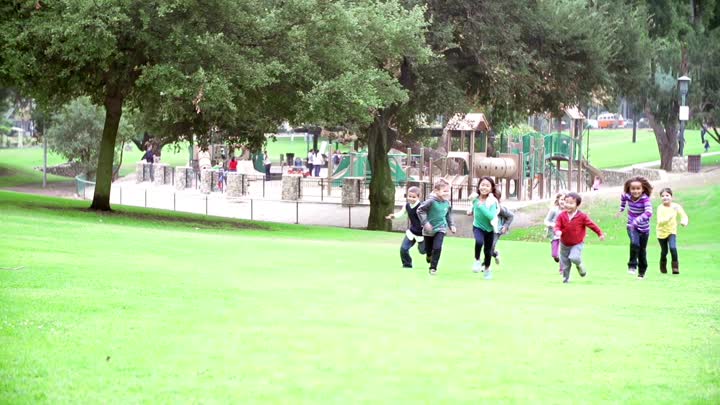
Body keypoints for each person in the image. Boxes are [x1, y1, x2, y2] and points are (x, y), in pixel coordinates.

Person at [554, 192, 605, 283]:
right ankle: (566, 279)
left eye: (571, 203)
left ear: (577, 205)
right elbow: (557, 225)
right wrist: (557, 230)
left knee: (574, 258)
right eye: (566, 202)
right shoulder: (562, 215)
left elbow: (592, 225)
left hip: (577, 243)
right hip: (564, 244)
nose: (568, 205)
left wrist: (600, 233)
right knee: (565, 263)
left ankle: (580, 265)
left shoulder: (582, 217)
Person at [615, 175, 653, 279]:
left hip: (644, 229)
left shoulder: (645, 199)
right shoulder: (626, 195)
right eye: (633, 189)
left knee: (642, 250)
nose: (635, 191)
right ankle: (632, 266)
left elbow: (649, 212)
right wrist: (621, 209)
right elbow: (623, 199)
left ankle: (641, 273)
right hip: (632, 226)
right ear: (629, 189)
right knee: (635, 243)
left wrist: (638, 219)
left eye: (638, 189)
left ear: (643, 189)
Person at [417, 178, 456, 275]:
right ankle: (429, 255)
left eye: (448, 191)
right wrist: (425, 223)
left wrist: (451, 225)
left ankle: (433, 268)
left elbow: (448, 214)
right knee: (429, 250)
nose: (447, 193)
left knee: (437, 247)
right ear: (436, 191)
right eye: (444, 191)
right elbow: (420, 210)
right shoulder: (430, 201)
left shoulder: (447, 203)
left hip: (441, 228)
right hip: (428, 230)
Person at [466, 176, 500, 279]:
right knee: (479, 242)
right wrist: (470, 210)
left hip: (490, 229)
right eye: (482, 185)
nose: (484, 187)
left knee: (488, 251)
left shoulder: (492, 201)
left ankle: (487, 269)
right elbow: (472, 206)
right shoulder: (475, 198)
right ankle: (477, 260)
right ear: (479, 186)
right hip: (477, 226)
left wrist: (482, 206)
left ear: (491, 188)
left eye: (487, 185)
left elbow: (491, 216)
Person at [386, 186, 425, 269]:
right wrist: (394, 216)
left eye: (414, 197)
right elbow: (401, 213)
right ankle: (407, 265)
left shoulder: (422, 206)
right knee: (403, 249)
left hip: (422, 234)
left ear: (418, 197)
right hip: (411, 232)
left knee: (422, 251)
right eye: (409, 196)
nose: (411, 198)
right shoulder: (407, 205)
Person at [656, 188, 689, 274]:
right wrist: (668, 218)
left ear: (671, 197)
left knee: (673, 248)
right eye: (662, 196)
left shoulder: (676, 206)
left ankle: (675, 268)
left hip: (671, 231)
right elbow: (660, 222)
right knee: (664, 251)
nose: (665, 197)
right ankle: (662, 266)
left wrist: (684, 221)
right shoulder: (660, 208)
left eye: (667, 195)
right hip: (661, 233)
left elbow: (684, 215)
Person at [544, 192, 566, 271]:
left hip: (563, 235)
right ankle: (556, 257)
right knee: (554, 254)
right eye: (561, 199)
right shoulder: (553, 210)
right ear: (558, 200)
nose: (563, 201)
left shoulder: (568, 211)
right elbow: (546, 221)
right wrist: (553, 225)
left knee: (562, 253)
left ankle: (562, 269)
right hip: (554, 235)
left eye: (565, 200)